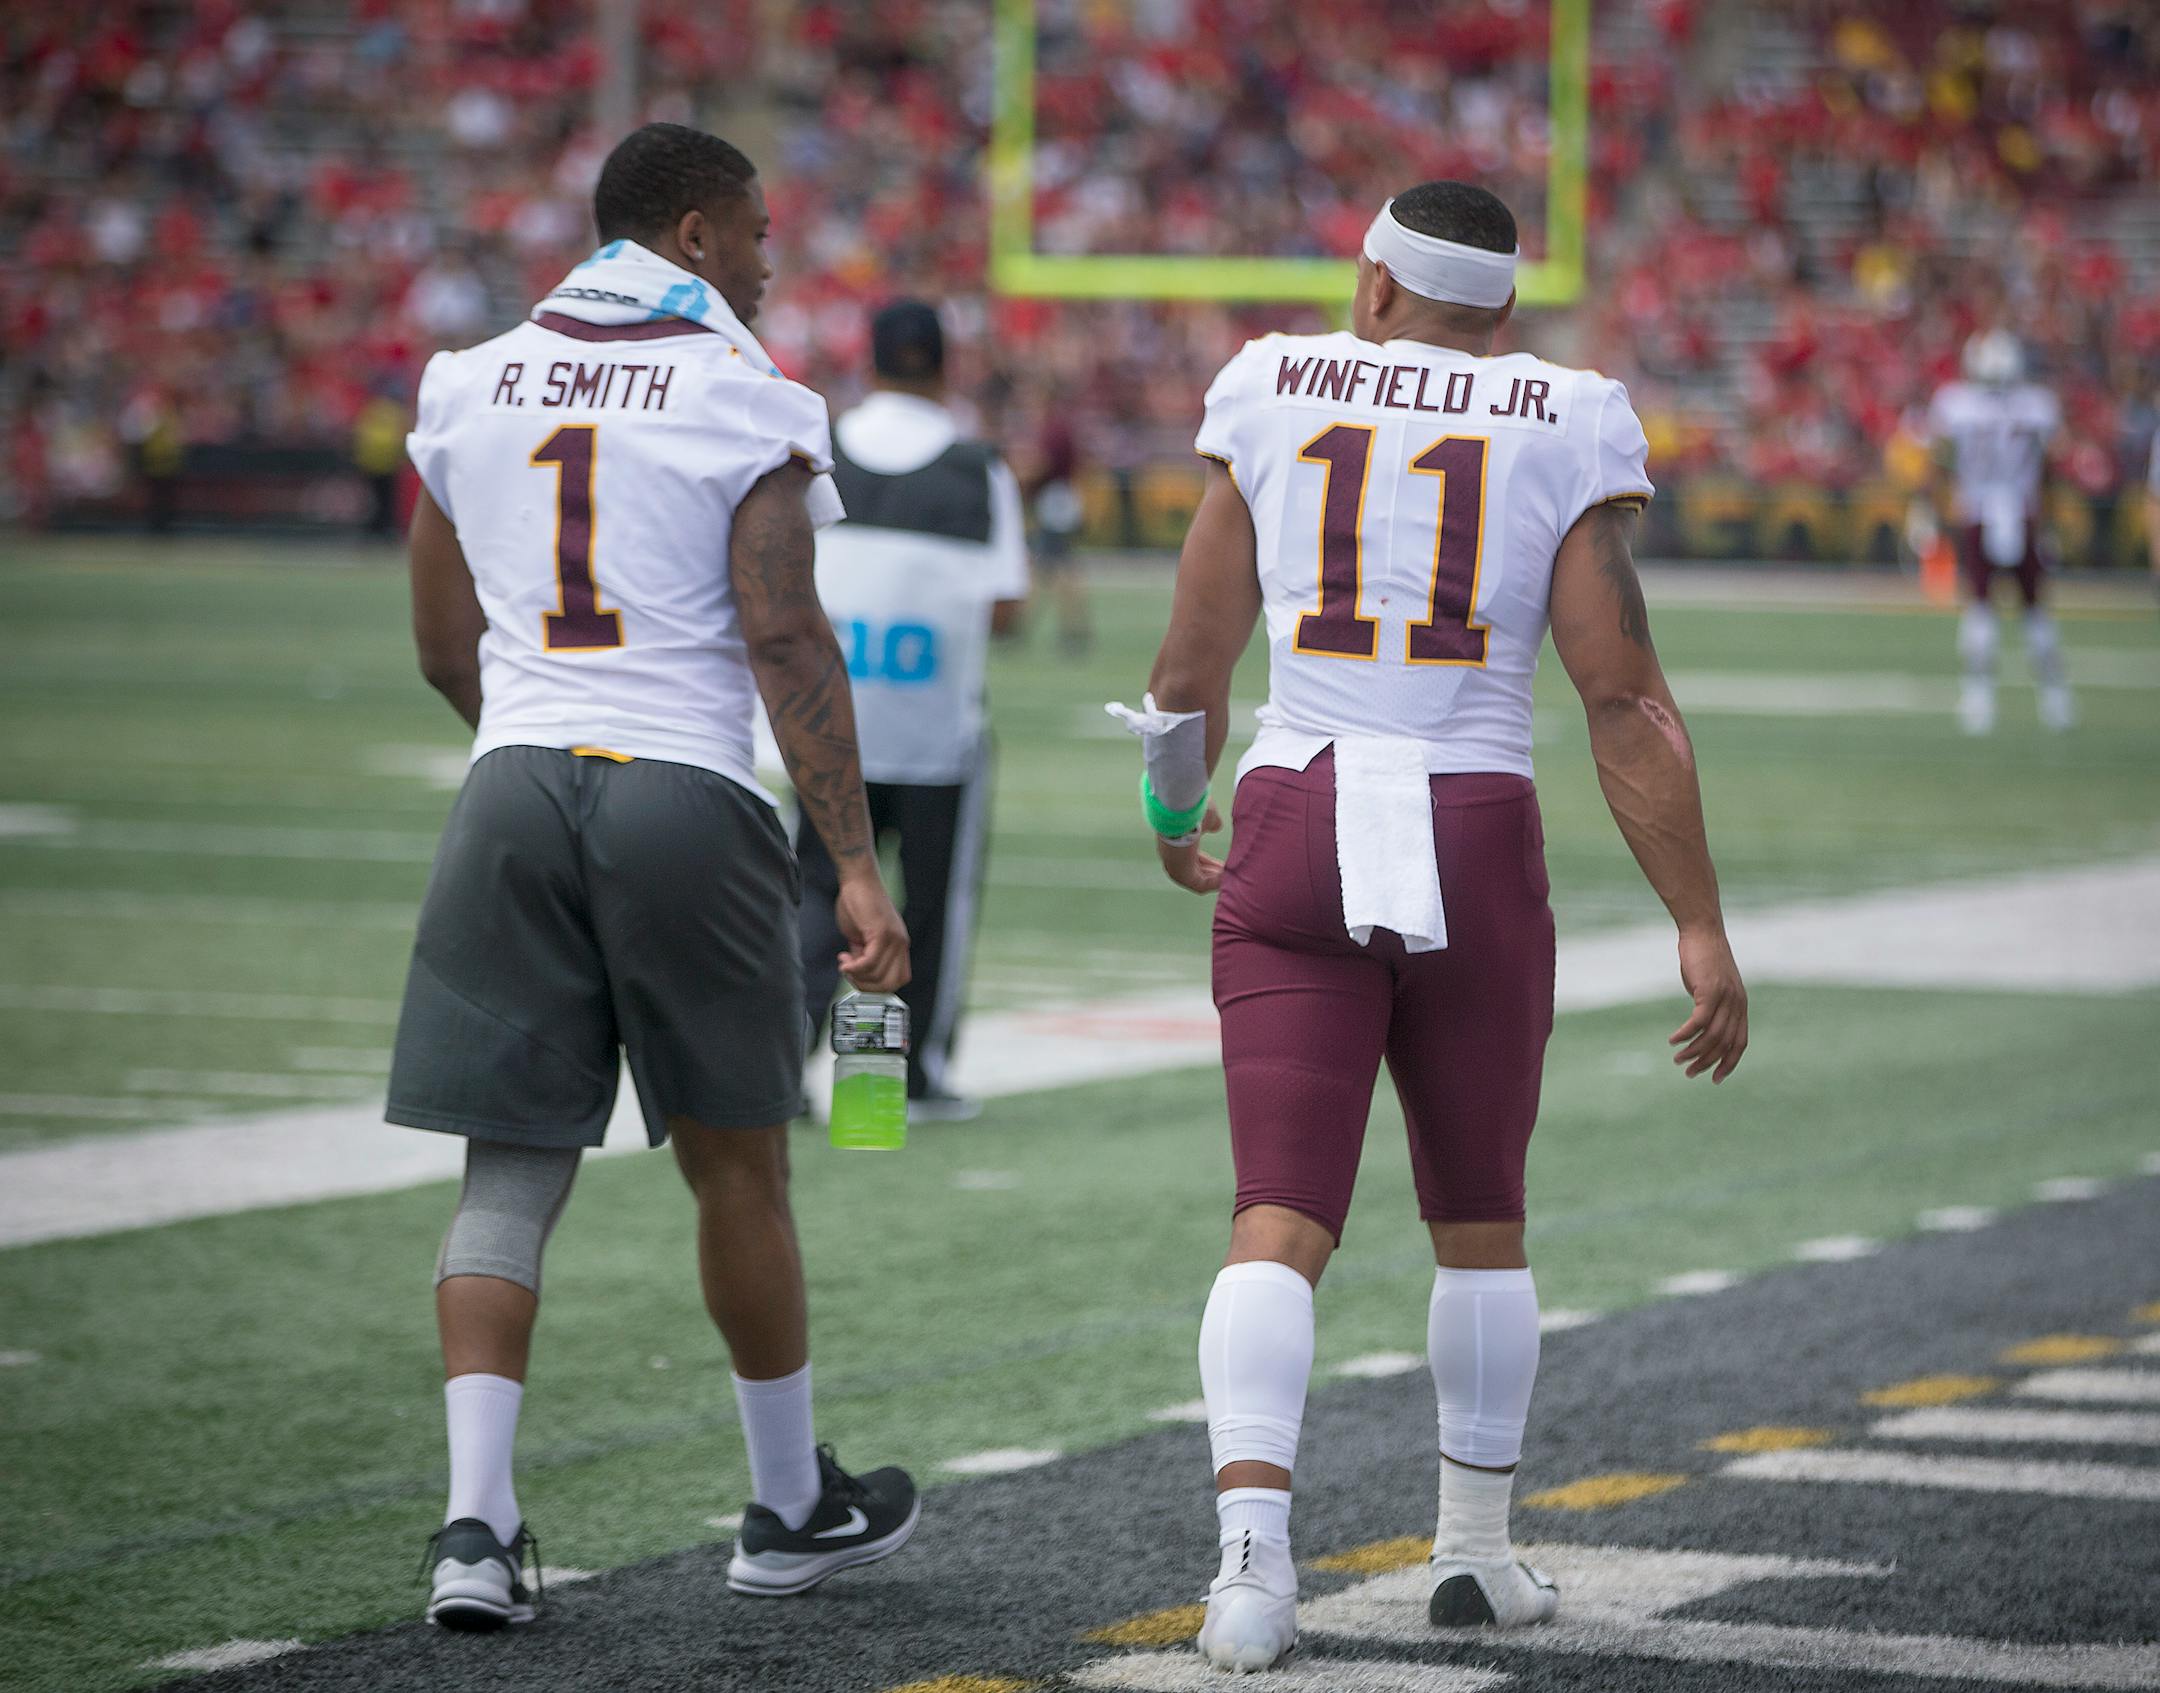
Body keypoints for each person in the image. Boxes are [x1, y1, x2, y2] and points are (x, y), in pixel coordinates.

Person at [1116, 180, 1749, 1671]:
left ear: (1376, 284)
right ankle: (1469, 1552)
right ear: (1504, 310)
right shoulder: (1567, 411)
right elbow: (1619, 693)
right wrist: (1701, 922)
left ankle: (1254, 1571)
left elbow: (1190, 655)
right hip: (1468, 821)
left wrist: (1167, 813)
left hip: (1295, 808)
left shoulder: (1271, 381)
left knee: (1275, 1216)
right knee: (1480, 1221)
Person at [392, 122, 918, 1632]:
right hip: (681, 786)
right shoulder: (744, 390)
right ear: (693, 233)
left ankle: (475, 1531)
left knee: (506, 1167)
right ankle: (789, 1503)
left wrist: (528, 749)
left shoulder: (466, 376)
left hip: (512, 775)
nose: (765, 258)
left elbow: (442, 644)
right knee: (737, 1163)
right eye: (752, 232)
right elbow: (784, 638)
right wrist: (853, 860)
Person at [797, 300, 1029, 1120]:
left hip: (823, 726)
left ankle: (784, 1073)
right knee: (927, 907)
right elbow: (1007, 609)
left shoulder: (817, 451)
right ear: (942, 365)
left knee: (812, 897)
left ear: (868, 362)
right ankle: (906, 1079)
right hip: (936, 730)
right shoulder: (977, 469)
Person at [1925, 331, 2074, 733]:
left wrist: (1937, 506)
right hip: (2021, 512)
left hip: (1978, 512)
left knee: (1980, 605)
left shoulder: (1956, 404)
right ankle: (2055, 698)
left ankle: (1979, 699)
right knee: (2034, 608)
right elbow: (2052, 465)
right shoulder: (2036, 405)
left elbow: (1939, 461)